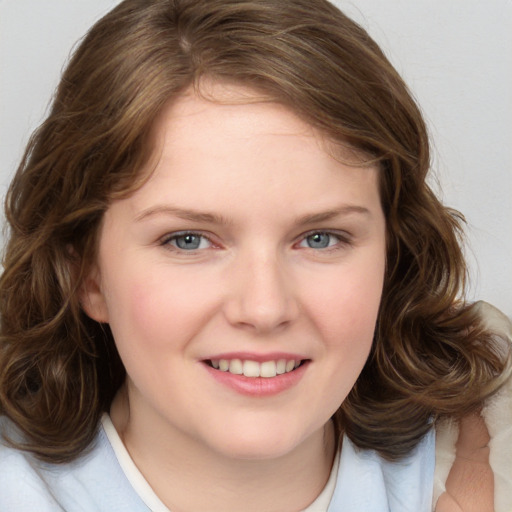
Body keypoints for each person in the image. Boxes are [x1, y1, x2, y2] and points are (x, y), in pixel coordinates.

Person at [0, 0, 510, 510]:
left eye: (320, 238)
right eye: (188, 240)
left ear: (391, 258)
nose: (264, 309)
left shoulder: (485, 456)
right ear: (87, 275)